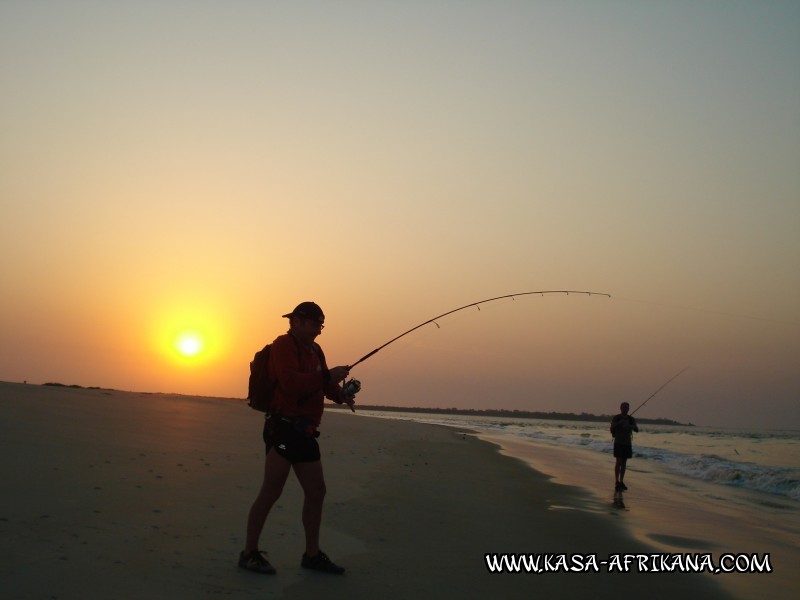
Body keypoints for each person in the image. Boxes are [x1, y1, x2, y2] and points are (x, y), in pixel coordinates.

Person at [239, 302, 355, 575]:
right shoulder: (282, 345)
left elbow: (323, 384)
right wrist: (327, 375)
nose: (318, 331)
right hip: (283, 427)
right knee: (271, 491)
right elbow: (291, 383)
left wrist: (341, 394)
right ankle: (248, 553)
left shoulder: (315, 350)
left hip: (305, 431)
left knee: (317, 492)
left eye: (321, 326)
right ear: (297, 322)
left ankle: (312, 555)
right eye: (315, 325)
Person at [610, 402, 638, 492]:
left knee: (624, 462)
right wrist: (619, 423)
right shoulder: (617, 417)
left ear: (628, 409)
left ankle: (621, 481)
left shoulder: (631, 419)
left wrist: (630, 426)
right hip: (618, 442)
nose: (625, 409)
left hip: (627, 443)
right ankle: (616, 481)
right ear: (620, 408)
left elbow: (637, 429)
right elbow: (611, 428)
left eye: (627, 407)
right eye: (624, 407)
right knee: (618, 461)